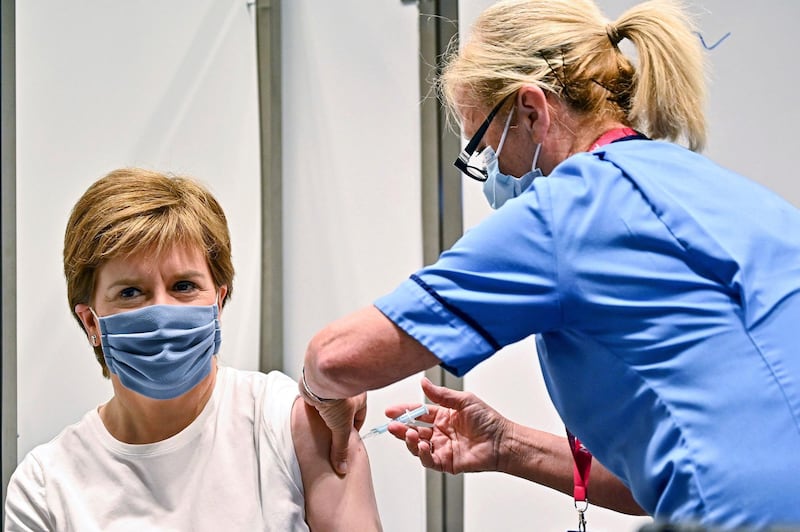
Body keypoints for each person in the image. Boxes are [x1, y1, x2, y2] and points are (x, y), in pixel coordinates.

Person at [298, 0, 800, 529]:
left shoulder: (572, 209)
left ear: (532, 110)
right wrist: (506, 444)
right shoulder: (727, 193)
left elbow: (335, 358)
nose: (494, 173)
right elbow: (656, 482)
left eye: (488, 149)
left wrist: (320, 395)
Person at [4, 169, 382, 531]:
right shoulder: (46, 487)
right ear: (91, 323)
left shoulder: (294, 424)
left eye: (184, 286)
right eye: (130, 292)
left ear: (218, 302)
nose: (162, 311)